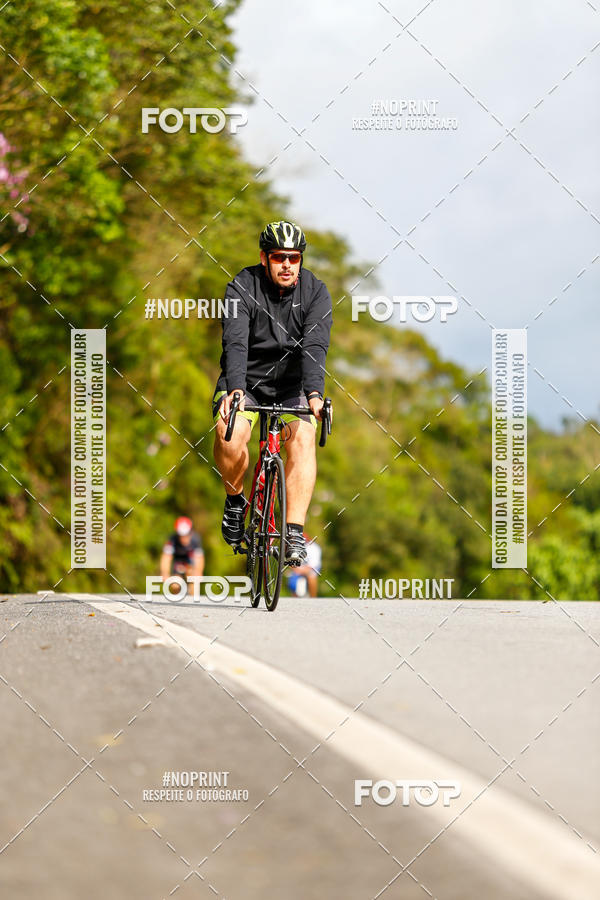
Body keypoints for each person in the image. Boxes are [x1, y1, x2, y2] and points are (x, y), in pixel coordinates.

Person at [212, 220, 332, 566]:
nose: (287, 265)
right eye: (279, 257)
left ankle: (293, 529)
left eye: (294, 258)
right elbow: (234, 341)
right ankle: (236, 501)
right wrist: (234, 389)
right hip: (246, 382)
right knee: (229, 435)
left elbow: (315, 347)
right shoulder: (241, 286)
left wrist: (314, 396)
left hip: (293, 386)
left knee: (304, 439)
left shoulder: (315, 292)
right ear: (264, 257)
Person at [160, 516, 205, 585]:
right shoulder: (172, 539)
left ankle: (192, 594)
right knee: (175, 584)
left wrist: (198, 572)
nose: (184, 538)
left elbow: (199, 559)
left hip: (190, 562)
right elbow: (166, 558)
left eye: (186, 534)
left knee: (194, 579)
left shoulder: (196, 540)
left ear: (190, 532)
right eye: (181, 535)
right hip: (178, 562)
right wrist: (165, 573)